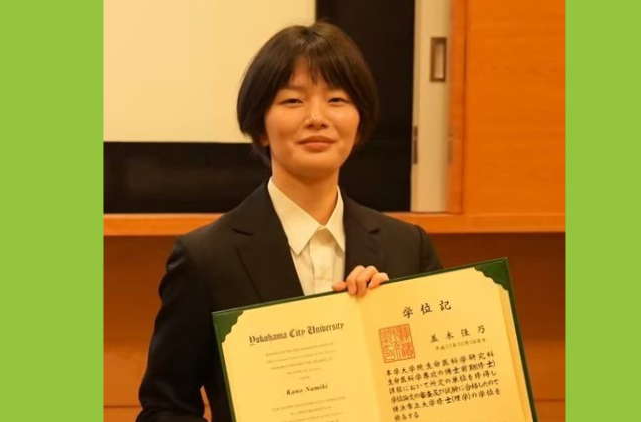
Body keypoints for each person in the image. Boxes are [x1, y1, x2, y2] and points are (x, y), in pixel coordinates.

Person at [137, 22, 442, 422]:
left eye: (336, 99)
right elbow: (164, 408)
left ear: (359, 123)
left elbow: (439, 392)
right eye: (293, 101)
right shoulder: (206, 257)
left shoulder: (408, 248)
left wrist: (393, 316)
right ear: (260, 126)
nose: (317, 117)